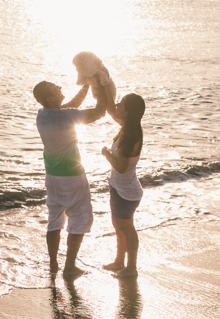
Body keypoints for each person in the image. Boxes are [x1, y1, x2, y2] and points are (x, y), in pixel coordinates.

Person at [33, 78, 107, 279]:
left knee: (54, 219)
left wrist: (86, 86)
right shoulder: (65, 117)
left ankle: (53, 264)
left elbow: (71, 106)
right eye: (55, 89)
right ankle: (70, 267)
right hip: (72, 176)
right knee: (79, 218)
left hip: (52, 176)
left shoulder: (43, 115)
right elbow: (100, 111)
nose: (60, 88)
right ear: (49, 97)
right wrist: (102, 86)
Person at [101, 93, 145, 278]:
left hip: (126, 192)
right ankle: (119, 261)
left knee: (127, 228)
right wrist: (102, 85)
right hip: (119, 187)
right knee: (118, 226)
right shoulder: (128, 127)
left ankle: (131, 268)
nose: (118, 105)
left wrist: (106, 154)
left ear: (128, 111)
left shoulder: (130, 135)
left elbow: (120, 167)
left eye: (122, 104)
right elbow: (111, 110)